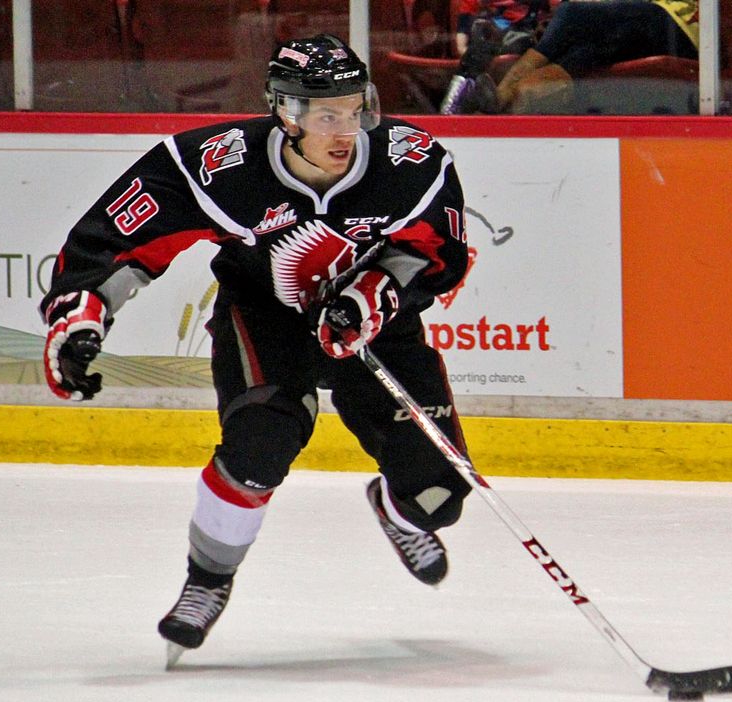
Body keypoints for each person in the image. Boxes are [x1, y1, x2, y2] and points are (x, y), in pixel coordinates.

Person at [38, 34, 473, 666]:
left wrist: (374, 295)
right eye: (327, 114)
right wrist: (81, 320)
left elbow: (438, 254)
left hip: (370, 319)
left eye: (355, 109)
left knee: (438, 497)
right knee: (260, 444)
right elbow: (117, 242)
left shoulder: (412, 163)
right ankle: (207, 580)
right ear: (287, 114)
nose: (346, 128)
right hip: (264, 313)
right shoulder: (216, 165)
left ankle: (398, 513)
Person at [450, 0, 699, 114]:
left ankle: (502, 93)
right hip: (644, 22)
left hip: (684, 28)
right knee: (585, 51)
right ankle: (507, 107)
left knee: (572, 12)